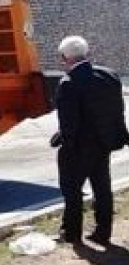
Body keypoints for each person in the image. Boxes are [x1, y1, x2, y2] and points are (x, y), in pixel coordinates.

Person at [51, 35, 126, 245]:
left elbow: (69, 122)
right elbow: (116, 110)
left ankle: (72, 233)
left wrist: (65, 143)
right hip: (104, 143)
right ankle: (103, 233)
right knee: (102, 187)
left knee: (72, 190)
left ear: (65, 58)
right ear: (86, 53)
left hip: (78, 147)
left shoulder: (68, 83)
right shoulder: (109, 76)